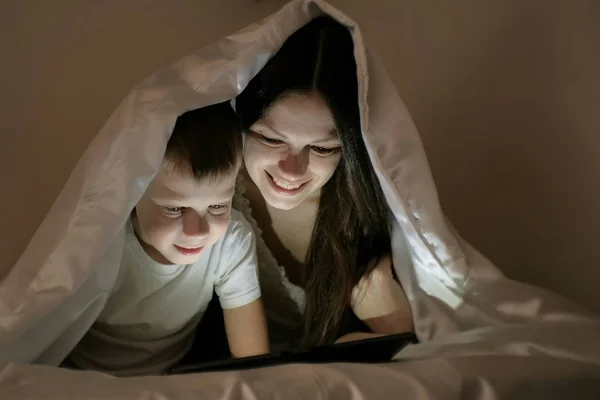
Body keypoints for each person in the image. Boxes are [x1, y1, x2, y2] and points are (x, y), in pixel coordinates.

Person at [234, 16, 414, 348]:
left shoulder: (368, 207)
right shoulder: (211, 197)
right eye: (272, 140)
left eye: (321, 147)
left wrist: (393, 322)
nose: (292, 169)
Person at [66, 102, 269, 376]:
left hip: (173, 377)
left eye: (217, 206)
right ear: (133, 191)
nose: (197, 231)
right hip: (79, 376)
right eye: (174, 208)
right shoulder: (101, 242)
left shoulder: (230, 241)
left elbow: (252, 365)